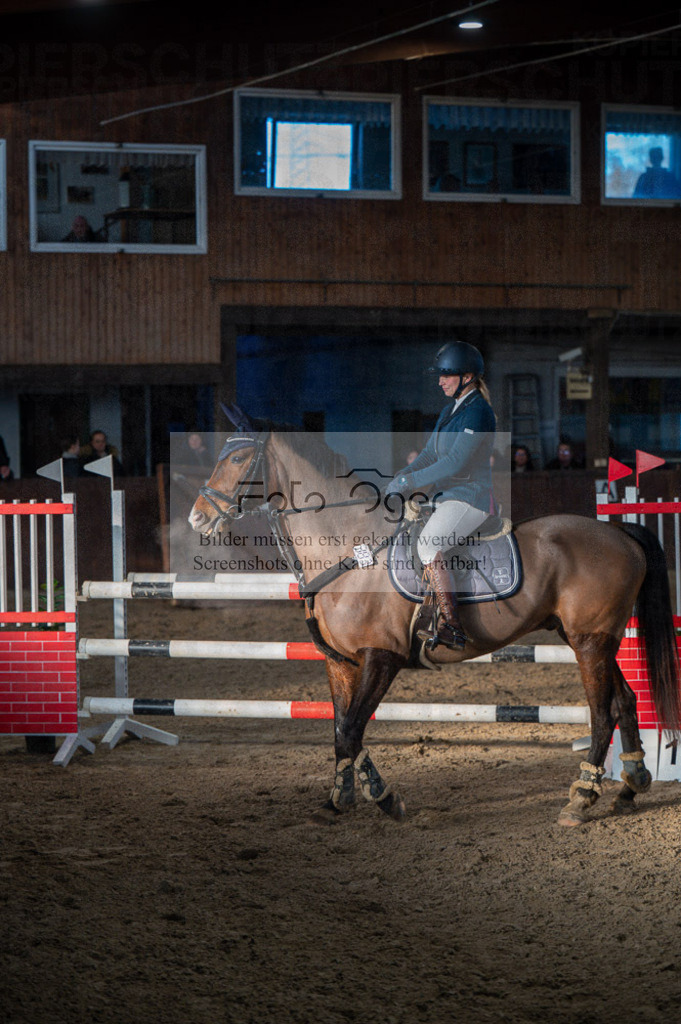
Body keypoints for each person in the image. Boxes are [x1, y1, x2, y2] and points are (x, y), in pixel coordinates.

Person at [386, 340, 495, 651]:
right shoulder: (450, 410)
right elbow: (430, 454)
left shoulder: (478, 413)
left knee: (430, 543)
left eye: (446, 376)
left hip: (469, 497)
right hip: (446, 496)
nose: (440, 381)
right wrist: (399, 479)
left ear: (467, 377)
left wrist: (410, 480)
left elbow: (454, 462)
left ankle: (451, 626)